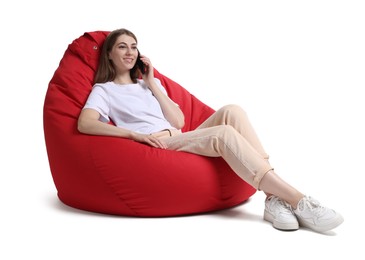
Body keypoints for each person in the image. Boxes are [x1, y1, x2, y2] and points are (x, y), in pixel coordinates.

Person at [78, 28, 344, 233]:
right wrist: (134, 135)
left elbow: (179, 121)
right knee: (223, 134)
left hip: (177, 136)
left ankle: (274, 199)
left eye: (134, 47)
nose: (130, 52)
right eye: (122, 47)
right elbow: (85, 123)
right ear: (109, 53)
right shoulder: (105, 90)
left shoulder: (150, 82)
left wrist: (151, 82)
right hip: (157, 145)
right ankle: (299, 201)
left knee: (232, 110)